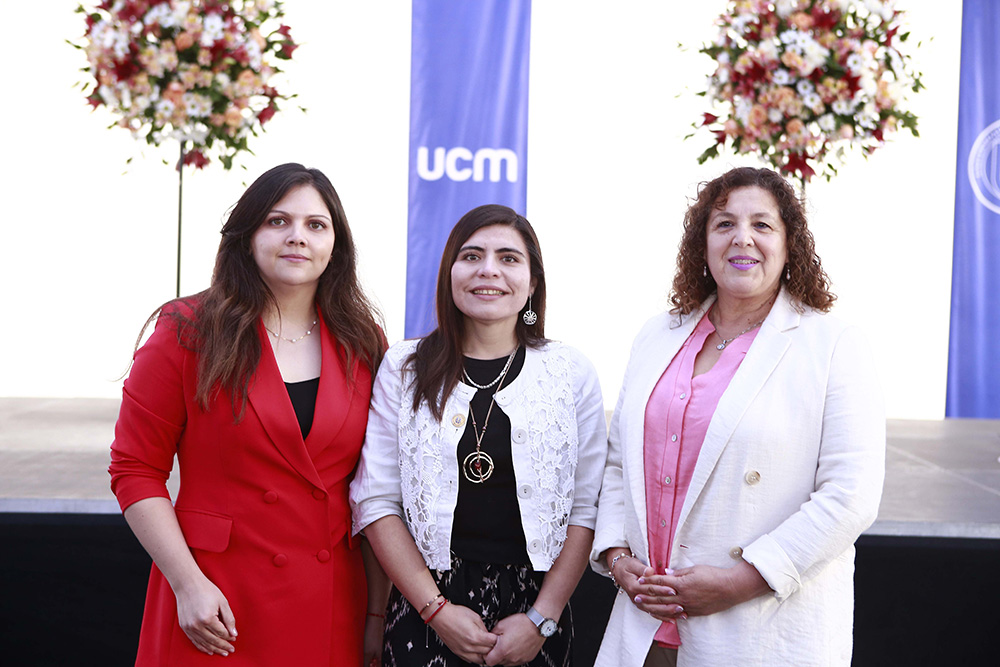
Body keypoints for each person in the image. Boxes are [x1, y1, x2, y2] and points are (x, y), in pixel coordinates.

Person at [592, 167, 886, 667]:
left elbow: (849, 496)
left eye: (762, 225)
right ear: (702, 243)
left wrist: (740, 581)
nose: (741, 237)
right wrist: (617, 559)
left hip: (760, 629)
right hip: (644, 625)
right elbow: (620, 465)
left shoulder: (833, 345)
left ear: (790, 245)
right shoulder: (657, 335)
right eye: (724, 223)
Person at [109, 163, 389, 665]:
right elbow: (135, 469)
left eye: (316, 225)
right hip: (214, 602)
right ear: (248, 235)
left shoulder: (363, 341)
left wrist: (376, 613)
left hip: (328, 600)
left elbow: (377, 489)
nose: (297, 236)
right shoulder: (188, 330)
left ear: (336, 245)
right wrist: (187, 584)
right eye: (278, 221)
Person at [350, 204, 607, 667]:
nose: (488, 269)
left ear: (532, 283)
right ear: (449, 274)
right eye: (471, 256)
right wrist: (436, 610)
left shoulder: (570, 373)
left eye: (509, 258)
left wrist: (541, 619)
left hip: (537, 611)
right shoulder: (404, 368)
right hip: (425, 605)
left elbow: (585, 508)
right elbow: (376, 500)